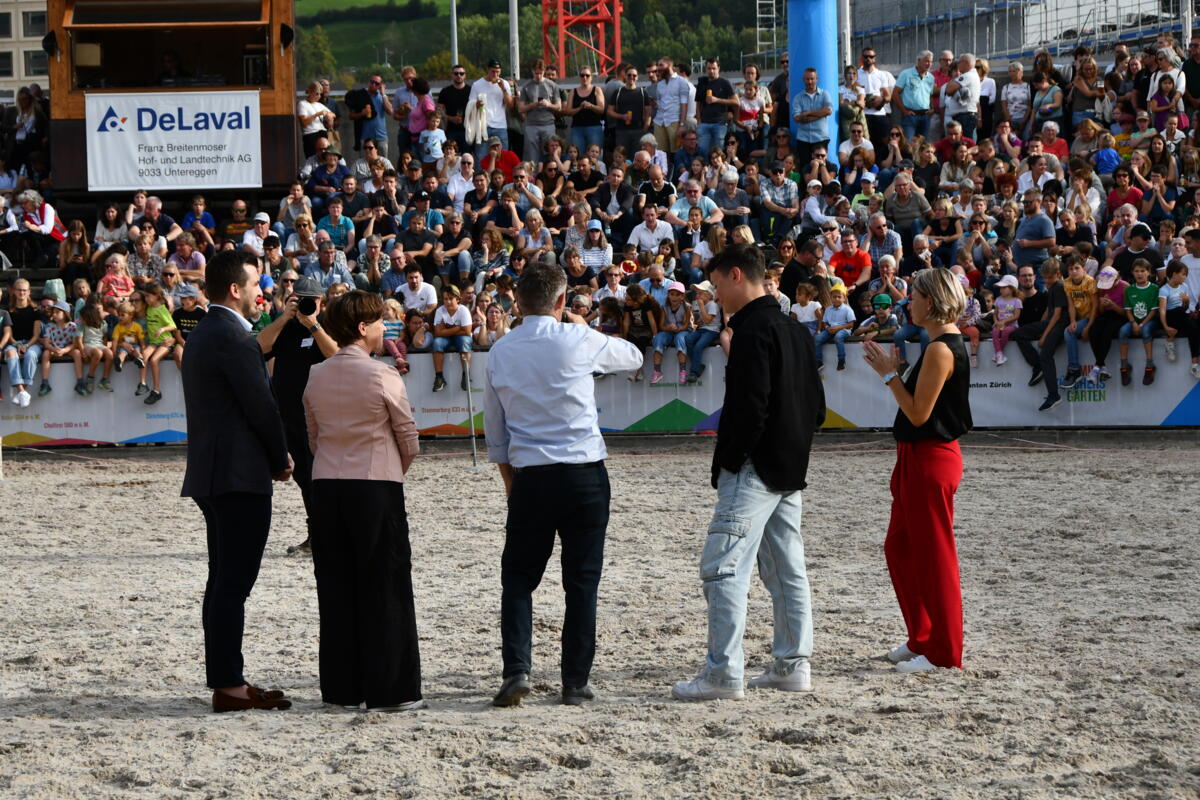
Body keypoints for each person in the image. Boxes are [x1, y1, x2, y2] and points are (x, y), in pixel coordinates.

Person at [484, 261, 643, 707]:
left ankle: (517, 668)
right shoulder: (578, 337)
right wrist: (580, 322)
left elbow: (496, 435)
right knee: (582, 581)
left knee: (518, 578)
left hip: (531, 474)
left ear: (517, 302)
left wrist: (511, 485)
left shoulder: (500, 350)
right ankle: (575, 681)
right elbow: (633, 357)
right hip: (583, 473)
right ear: (560, 301)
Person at [671, 243, 824, 701]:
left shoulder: (752, 332)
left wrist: (731, 462)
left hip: (755, 467)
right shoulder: (794, 330)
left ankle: (722, 674)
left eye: (716, 286)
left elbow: (747, 409)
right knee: (786, 569)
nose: (715, 296)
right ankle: (792, 664)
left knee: (722, 569)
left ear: (736, 275)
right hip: (789, 466)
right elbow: (816, 408)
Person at [180, 250, 293, 713]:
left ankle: (226, 679)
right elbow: (261, 406)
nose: (259, 292)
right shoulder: (233, 335)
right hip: (238, 475)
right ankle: (228, 684)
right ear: (234, 289)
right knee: (233, 584)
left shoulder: (206, 332)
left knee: (222, 581)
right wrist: (280, 456)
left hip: (213, 472)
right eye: (255, 284)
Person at [301, 290, 424, 712]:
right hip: (375, 485)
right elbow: (409, 438)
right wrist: (392, 470)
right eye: (378, 322)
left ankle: (342, 690)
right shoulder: (383, 375)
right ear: (361, 328)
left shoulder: (316, 374)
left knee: (335, 588)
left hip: (328, 486)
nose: (384, 328)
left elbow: (313, 436)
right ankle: (393, 691)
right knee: (385, 586)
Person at [861, 268, 972, 673]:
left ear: (933, 300)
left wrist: (889, 373)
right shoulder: (938, 344)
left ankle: (944, 653)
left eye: (915, 295)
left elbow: (918, 412)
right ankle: (923, 638)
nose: (909, 301)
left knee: (935, 557)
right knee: (902, 549)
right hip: (916, 455)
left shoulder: (942, 349)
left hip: (932, 457)